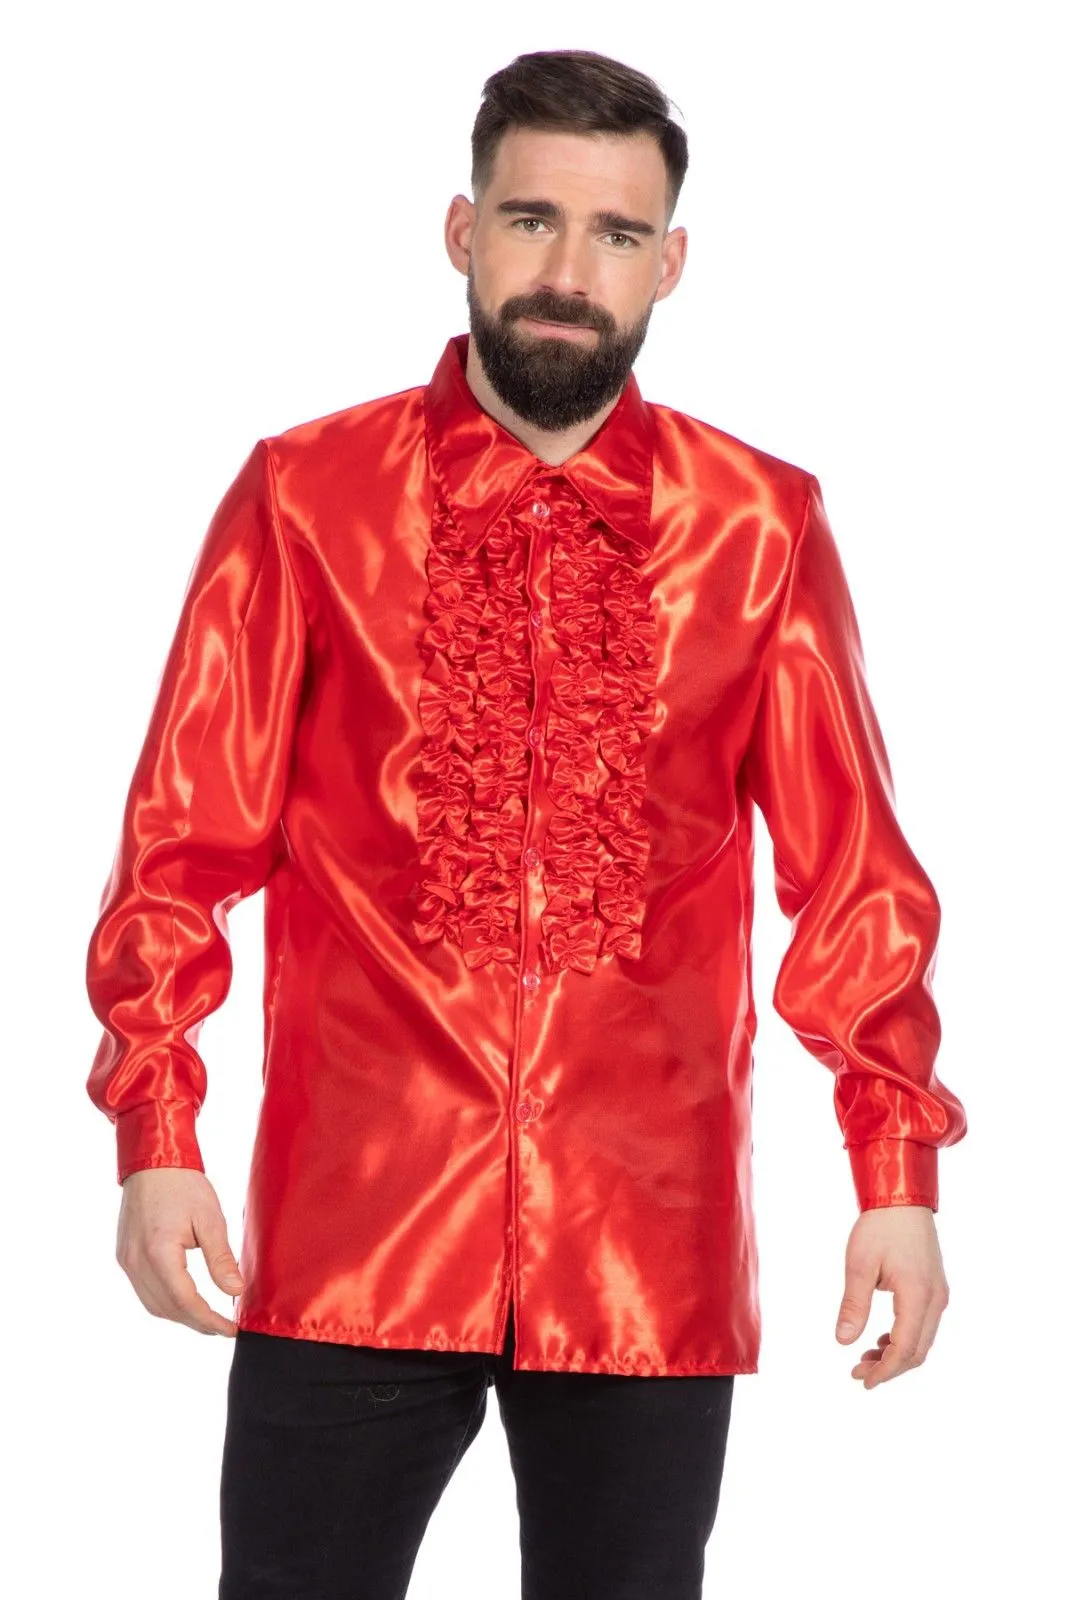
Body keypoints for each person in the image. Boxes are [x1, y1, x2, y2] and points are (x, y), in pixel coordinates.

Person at [84, 46, 968, 1600]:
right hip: (355, 1229)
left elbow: (853, 879)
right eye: (530, 219)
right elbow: (179, 843)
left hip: (646, 1240)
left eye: (616, 234)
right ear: (461, 230)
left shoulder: (760, 526)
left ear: (669, 263)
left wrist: (893, 1174)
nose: (568, 271)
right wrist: (157, 1133)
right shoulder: (304, 497)